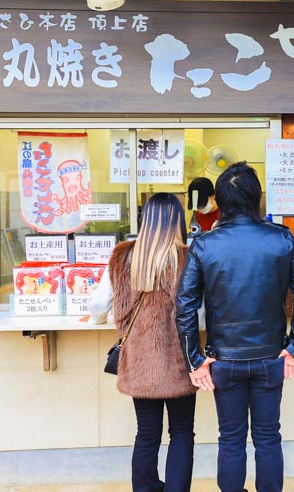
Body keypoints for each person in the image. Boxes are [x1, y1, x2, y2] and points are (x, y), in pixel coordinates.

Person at [175, 162, 294, 492]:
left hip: (224, 360)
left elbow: (184, 306)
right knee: (268, 437)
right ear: (256, 198)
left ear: (219, 202)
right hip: (270, 356)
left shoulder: (205, 245)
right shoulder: (280, 238)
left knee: (231, 439)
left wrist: (195, 360)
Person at [89, 193, 197, 492]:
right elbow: (200, 313)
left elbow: (98, 307)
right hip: (180, 361)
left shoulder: (123, 256)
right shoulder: (189, 257)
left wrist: (100, 320)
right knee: (182, 433)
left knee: (147, 433)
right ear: (178, 221)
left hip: (139, 360)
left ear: (145, 219)